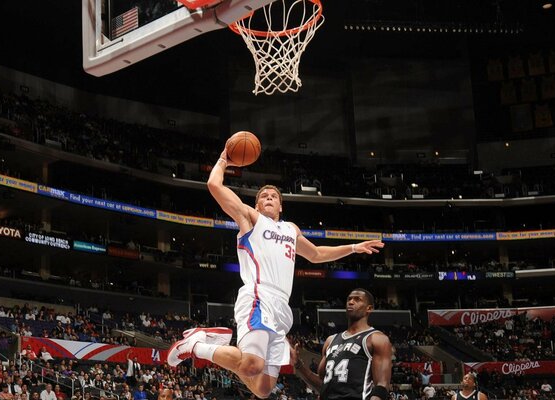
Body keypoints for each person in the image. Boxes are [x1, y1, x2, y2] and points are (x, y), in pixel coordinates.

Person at [167, 147, 385, 399]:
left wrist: (354, 247)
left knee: (262, 388)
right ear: (257, 204)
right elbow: (214, 185)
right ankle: (194, 344)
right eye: (263, 196)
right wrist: (223, 159)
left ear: (281, 205)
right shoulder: (250, 219)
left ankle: (219, 345)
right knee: (251, 364)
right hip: (258, 296)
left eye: (273, 195)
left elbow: (316, 254)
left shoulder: (291, 229)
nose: (269, 197)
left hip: (282, 308)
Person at [290, 289, 393, 400]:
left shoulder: (376, 339)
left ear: (369, 308)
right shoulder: (330, 341)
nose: (351, 302)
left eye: (357, 299)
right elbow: (322, 386)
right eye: (349, 299)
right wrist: (299, 366)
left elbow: (381, 386)